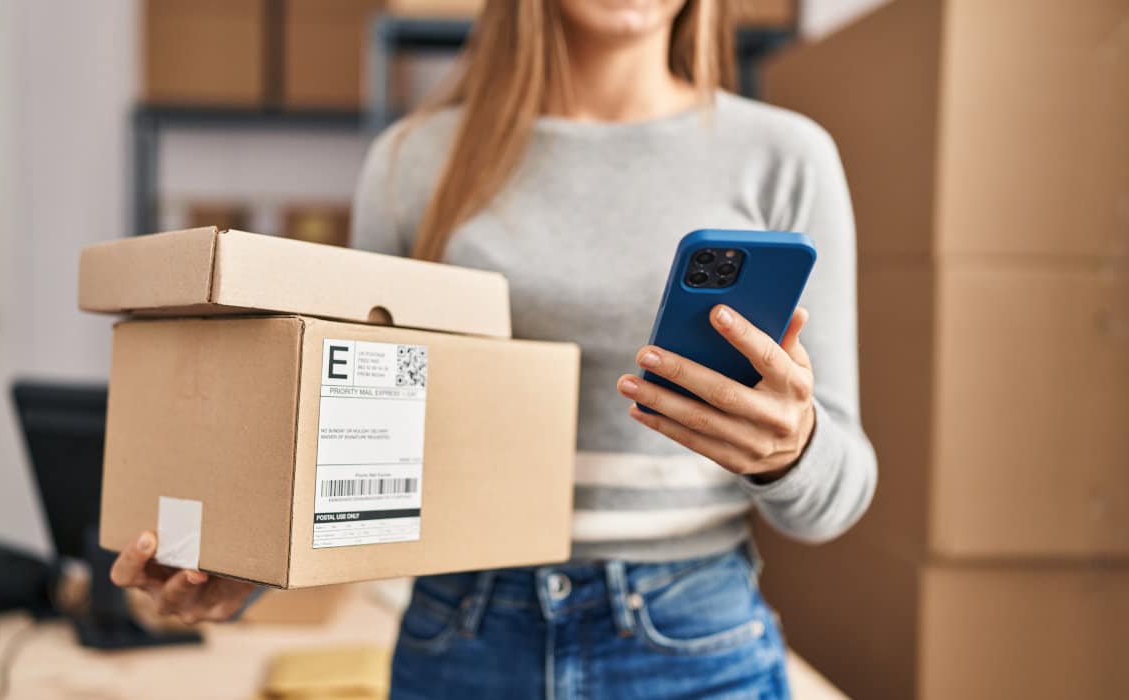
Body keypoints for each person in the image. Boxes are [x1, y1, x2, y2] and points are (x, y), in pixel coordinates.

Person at [111, 1, 877, 697]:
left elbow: (837, 499)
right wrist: (247, 570)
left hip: (690, 633)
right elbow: (339, 436)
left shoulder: (783, 156)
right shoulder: (412, 160)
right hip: (463, 630)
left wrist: (793, 448)